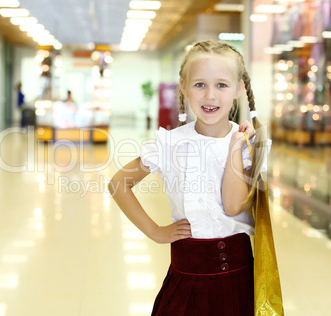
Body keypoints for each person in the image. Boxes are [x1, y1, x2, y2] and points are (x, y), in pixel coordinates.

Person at [109, 40, 271, 315]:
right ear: (183, 86)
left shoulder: (248, 145)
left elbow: (233, 207)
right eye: (199, 85)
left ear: (239, 88)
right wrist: (156, 232)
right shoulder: (169, 144)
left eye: (221, 85)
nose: (210, 95)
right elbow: (118, 183)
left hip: (239, 280)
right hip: (186, 277)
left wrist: (234, 148)